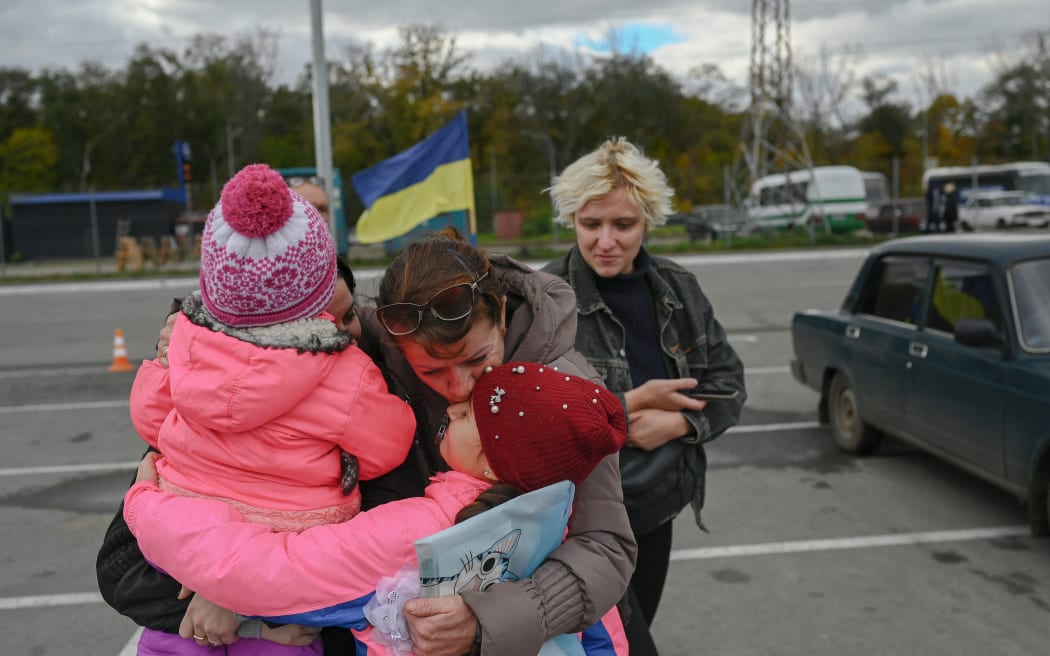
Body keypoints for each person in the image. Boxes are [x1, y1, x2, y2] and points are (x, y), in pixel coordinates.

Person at [98, 228, 636, 656]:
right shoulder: (364, 356)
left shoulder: (561, 388)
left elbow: (606, 547)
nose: (460, 390)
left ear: (498, 310)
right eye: (432, 371)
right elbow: (125, 568)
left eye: (476, 360)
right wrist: (189, 339)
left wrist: (484, 622)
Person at [122, 361, 631, 655]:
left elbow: (266, 571)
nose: (450, 405)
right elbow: (606, 641)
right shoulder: (559, 523)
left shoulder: (422, 529)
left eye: (467, 414)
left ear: (497, 464)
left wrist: (148, 506)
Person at [126, 163, 416, 654]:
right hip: (290, 540)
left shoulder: (185, 342)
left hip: (183, 528)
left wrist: (160, 367)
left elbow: (152, 419)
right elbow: (387, 447)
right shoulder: (341, 370)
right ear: (319, 285)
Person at [542, 137, 746, 654]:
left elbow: (730, 385)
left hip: (657, 505)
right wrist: (625, 411)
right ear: (572, 221)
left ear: (648, 222)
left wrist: (677, 425)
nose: (606, 240)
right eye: (591, 224)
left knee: (634, 637)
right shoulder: (544, 299)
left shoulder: (679, 290)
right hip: (578, 522)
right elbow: (526, 424)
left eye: (623, 225)